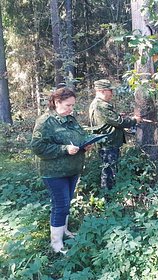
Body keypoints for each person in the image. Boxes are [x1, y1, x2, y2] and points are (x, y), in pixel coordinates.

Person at [31, 87, 92, 253]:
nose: (71, 109)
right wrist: (64, 149)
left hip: (72, 169)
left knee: (66, 203)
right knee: (61, 204)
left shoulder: (71, 119)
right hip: (54, 172)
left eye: (73, 105)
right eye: (68, 105)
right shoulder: (45, 121)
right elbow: (37, 147)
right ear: (57, 102)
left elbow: (78, 137)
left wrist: (84, 145)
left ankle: (64, 230)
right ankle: (56, 244)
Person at [88, 79, 141, 190]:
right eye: (109, 90)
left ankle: (108, 195)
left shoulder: (97, 104)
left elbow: (109, 120)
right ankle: (108, 196)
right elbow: (119, 122)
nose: (112, 93)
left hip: (107, 142)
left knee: (109, 170)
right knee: (109, 172)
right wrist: (134, 120)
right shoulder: (101, 105)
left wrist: (117, 115)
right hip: (109, 143)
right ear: (102, 91)